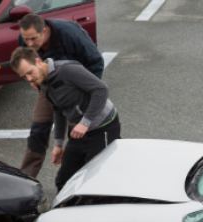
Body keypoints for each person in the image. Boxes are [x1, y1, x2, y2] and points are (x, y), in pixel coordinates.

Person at [10, 47, 121, 191]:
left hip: (102, 126)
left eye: (30, 72)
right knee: (64, 181)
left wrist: (85, 123)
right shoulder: (43, 82)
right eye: (24, 77)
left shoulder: (66, 70)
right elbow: (58, 109)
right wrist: (58, 144)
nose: (29, 79)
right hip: (79, 131)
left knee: (95, 180)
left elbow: (101, 89)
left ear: (38, 61)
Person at [17, 14, 104, 178]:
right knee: (38, 132)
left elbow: (96, 63)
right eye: (25, 39)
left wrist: (84, 95)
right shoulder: (25, 39)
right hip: (48, 88)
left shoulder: (70, 35)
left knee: (77, 137)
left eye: (33, 39)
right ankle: (26, 182)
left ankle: (84, 180)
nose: (29, 44)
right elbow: (26, 62)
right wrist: (34, 82)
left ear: (44, 31)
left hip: (75, 89)